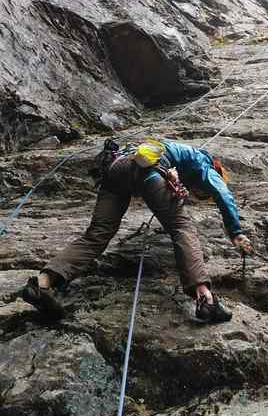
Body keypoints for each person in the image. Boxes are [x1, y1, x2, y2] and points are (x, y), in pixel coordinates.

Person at [22, 138, 252, 323]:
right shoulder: (205, 163)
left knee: (96, 235)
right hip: (148, 171)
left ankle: (42, 284)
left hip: (115, 170)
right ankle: (206, 300)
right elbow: (223, 194)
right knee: (182, 227)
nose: (200, 195)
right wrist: (236, 232)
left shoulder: (177, 151)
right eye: (203, 193)